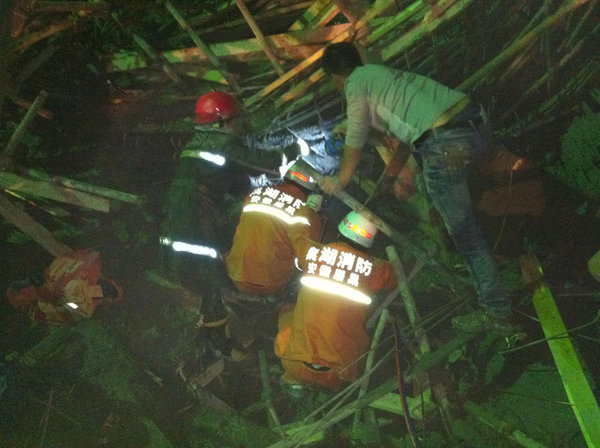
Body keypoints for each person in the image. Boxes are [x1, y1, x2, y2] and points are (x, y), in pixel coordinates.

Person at [318, 42, 512, 333]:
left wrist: (340, 181)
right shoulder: (382, 75)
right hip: (474, 122)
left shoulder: (355, 82)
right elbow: (411, 139)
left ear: (335, 76)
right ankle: (494, 258)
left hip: (446, 145)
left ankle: (497, 312)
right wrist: (387, 180)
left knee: (465, 233)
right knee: (432, 185)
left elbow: (357, 134)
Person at [275, 211, 397, 391]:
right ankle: (327, 389)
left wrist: (307, 209)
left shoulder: (315, 253)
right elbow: (397, 274)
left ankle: (293, 381)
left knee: (287, 313)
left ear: (339, 232)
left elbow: (297, 234)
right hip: (342, 373)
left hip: (295, 365)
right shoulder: (375, 269)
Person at [224, 160, 324, 296]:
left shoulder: (256, 194)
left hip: (234, 274)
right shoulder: (307, 214)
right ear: (311, 190)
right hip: (271, 283)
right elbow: (307, 256)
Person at [5, 249, 122, 325]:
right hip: (76, 304)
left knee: (71, 289)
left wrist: (73, 276)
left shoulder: (53, 271)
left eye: (22, 300)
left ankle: (103, 291)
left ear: (25, 290)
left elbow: (91, 257)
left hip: (88, 283)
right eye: (21, 305)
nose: (24, 305)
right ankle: (100, 293)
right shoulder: (39, 310)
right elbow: (71, 313)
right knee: (71, 299)